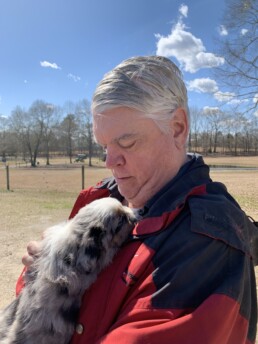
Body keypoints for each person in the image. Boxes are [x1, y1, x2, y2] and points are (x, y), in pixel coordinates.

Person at [18, 56, 257, 343]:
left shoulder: (209, 243)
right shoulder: (104, 197)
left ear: (178, 127)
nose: (109, 161)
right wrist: (42, 272)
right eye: (104, 145)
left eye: (126, 142)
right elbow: (32, 308)